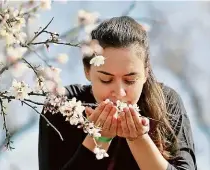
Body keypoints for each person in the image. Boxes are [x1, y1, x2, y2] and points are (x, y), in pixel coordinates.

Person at [38, 16, 197, 170]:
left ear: (146, 74)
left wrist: (139, 140)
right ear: (87, 71)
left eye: (130, 80)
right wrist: (99, 138)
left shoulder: (165, 102)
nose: (119, 93)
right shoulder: (62, 104)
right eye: (106, 80)